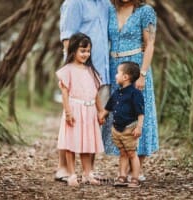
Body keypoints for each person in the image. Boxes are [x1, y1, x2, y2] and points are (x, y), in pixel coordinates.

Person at [102, 0, 159, 181]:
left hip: (136, 69)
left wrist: (142, 73)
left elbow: (149, 44)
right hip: (114, 69)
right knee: (120, 114)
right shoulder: (110, 10)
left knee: (139, 113)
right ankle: (124, 167)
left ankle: (137, 168)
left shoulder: (145, 11)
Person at [56, 0, 111, 182]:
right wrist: (72, 70)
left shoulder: (105, 4)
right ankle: (64, 169)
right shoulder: (74, 3)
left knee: (93, 125)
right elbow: (67, 39)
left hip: (99, 72)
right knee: (72, 126)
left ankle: (89, 172)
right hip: (79, 73)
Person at [99, 61, 144, 188]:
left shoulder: (135, 94)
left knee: (132, 153)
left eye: (118, 73)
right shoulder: (117, 93)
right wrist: (102, 115)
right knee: (123, 153)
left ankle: (135, 178)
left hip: (129, 129)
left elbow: (141, 113)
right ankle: (122, 176)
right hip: (117, 129)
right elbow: (108, 107)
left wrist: (139, 127)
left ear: (125, 77)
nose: (115, 75)